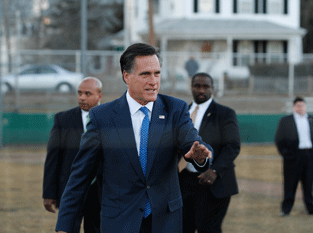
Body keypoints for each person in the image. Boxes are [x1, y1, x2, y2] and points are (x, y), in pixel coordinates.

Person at [55, 43, 213, 233]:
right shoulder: (102, 117)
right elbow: (80, 177)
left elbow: (191, 141)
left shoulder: (175, 109)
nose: (153, 81)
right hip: (119, 222)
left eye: (157, 73)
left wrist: (199, 155)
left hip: (165, 222)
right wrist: (65, 226)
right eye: (145, 74)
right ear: (126, 76)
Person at [178, 72, 241, 233]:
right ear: (191, 88)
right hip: (186, 181)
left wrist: (214, 170)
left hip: (214, 182)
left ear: (212, 88)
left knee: (208, 229)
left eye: (205, 86)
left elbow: (232, 146)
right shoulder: (181, 112)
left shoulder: (225, 113)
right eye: (197, 86)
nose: (201, 90)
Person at [43, 77, 103, 232]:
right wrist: (49, 192)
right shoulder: (63, 119)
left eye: (87, 93)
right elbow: (53, 158)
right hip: (71, 189)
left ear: (99, 96)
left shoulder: (109, 120)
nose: (82, 97)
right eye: (79, 93)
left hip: (100, 192)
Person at [275, 96, 313, 216]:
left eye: (302, 105)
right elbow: (279, 140)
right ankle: (286, 209)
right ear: (293, 107)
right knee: (290, 184)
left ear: (305, 106)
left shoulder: (312, 119)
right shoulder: (286, 121)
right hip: (293, 156)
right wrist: (287, 155)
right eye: (298, 105)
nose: (300, 108)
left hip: (309, 156)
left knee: (309, 184)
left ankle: (311, 209)